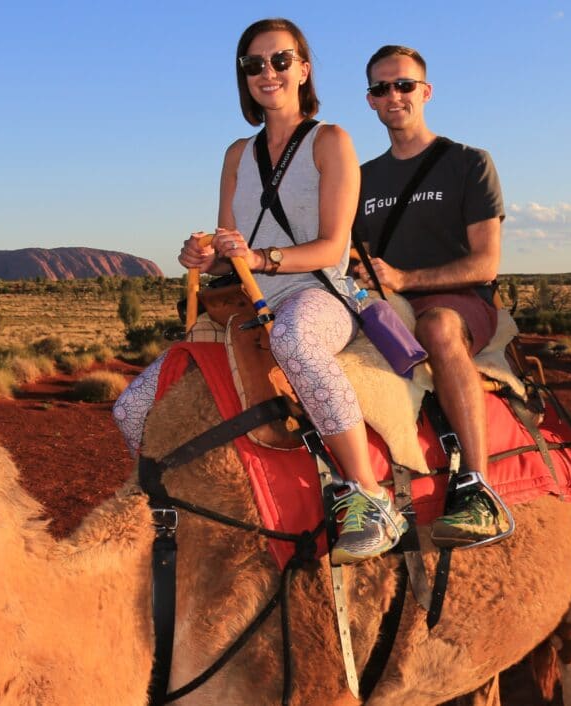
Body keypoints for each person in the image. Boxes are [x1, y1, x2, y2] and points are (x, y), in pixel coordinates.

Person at [113, 18, 406, 564]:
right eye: (254, 64)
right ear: (243, 76)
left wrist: (262, 257)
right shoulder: (235, 155)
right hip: (245, 301)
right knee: (131, 407)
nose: (267, 73)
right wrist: (205, 253)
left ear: (303, 68)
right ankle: (170, 506)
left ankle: (369, 496)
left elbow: (332, 247)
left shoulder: (331, 141)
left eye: (280, 60)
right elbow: (231, 243)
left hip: (317, 293)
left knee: (294, 339)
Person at [352, 45, 508, 547]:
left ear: (426, 91)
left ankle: (478, 491)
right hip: (388, 305)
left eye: (403, 85)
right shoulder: (361, 178)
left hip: (461, 303)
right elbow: (356, 254)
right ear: (370, 100)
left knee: (437, 327)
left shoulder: (467, 163)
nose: (393, 95)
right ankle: (356, 493)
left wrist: (403, 279)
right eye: (381, 88)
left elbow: (485, 263)